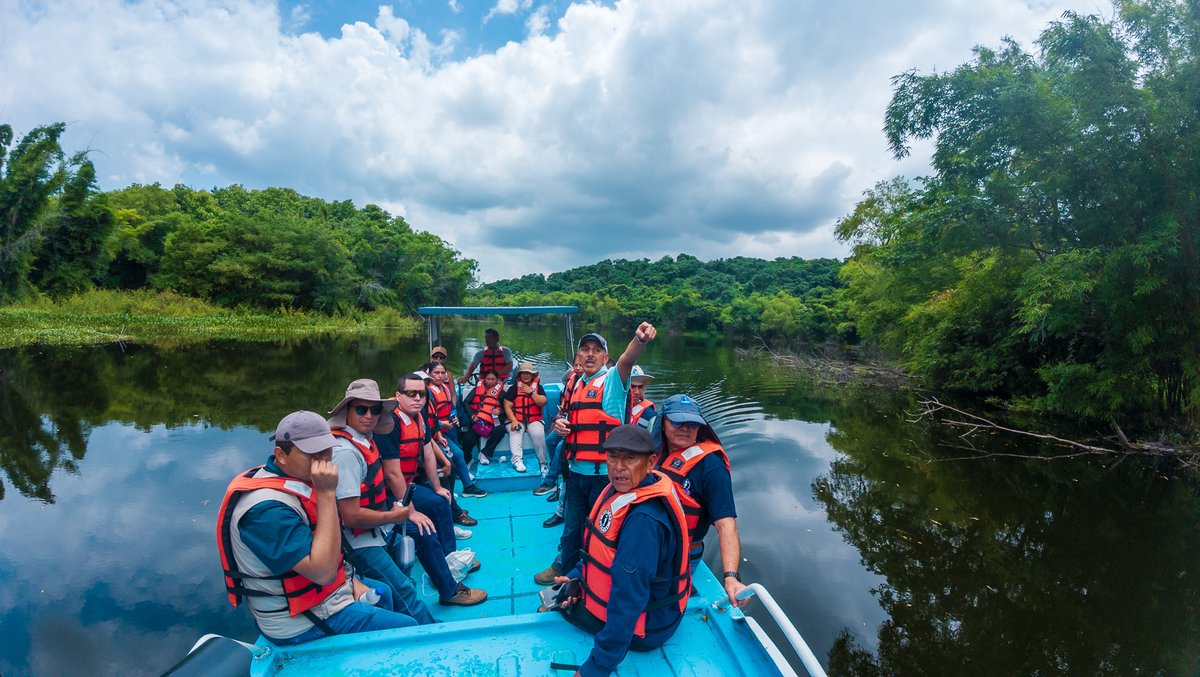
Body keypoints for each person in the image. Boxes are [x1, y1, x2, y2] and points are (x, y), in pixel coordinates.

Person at [216, 411, 419, 645]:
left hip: (323, 596)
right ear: (281, 455)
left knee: (383, 592)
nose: (323, 460)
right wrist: (326, 492)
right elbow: (322, 573)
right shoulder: (265, 511)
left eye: (326, 450)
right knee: (407, 630)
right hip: (299, 621)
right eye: (311, 453)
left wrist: (350, 583)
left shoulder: (297, 479)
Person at [548, 425, 690, 677]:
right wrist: (576, 575)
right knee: (564, 593)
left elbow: (628, 599)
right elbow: (602, 552)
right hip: (653, 610)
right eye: (613, 457)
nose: (619, 467)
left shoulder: (644, 521)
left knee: (559, 606)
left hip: (648, 626)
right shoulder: (622, 491)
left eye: (630, 458)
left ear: (650, 463)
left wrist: (597, 667)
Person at [325, 379, 463, 618]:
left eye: (375, 409)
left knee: (422, 532)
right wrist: (400, 514)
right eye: (361, 409)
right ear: (347, 411)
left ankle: (447, 583)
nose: (369, 415)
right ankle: (428, 631)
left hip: (378, 525)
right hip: (357, 542)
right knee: (403, 591)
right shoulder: (346, 453)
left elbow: (425, 453)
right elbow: (350, 516)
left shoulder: (365, 440)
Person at [534, 322, 657, 586]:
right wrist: (561, 424)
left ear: (605, 357)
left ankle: (593, 581)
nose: (590, 354)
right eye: (585, 350)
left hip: (604, 478)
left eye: (596, 350)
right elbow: (570, 417)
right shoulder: (577, 382)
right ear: (578, 357)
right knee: (571, 530)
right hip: (576, 473)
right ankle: (564, 572)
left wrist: (640, 339)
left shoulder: (613, 379)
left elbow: (627, 360)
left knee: (600, 533)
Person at [374, 373, 489, 607]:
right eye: (411, 394)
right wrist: (412, 512)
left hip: (407, 489)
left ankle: (450, 559)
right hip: (390, 496)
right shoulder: (390, 424)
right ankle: (448, 589)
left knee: (441, 502)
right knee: (423, 528)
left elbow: (427, 451)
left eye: (421, 394)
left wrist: (437, 487)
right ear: (398, 396)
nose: (417, 398)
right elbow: (392, 474)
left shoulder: (418, 418)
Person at [650, 394, 748, 607]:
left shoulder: (712, 468)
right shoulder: (656, 453)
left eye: (692, 423)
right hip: (649, 542)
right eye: (677, 421)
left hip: (678, 556)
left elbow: (726, 526)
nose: (685, 428)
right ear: (663, 423)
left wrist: (731, 576)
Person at [422, 362, 488, 502]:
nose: (440, 376)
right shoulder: (426, 393)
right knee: (448, 461)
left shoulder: (445, 389)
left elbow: (451, 407)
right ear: (429, 374)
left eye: (442, 373)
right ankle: (446, 496)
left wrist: (453, 417)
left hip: (444, 431)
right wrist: (441, 424)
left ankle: (468, 488)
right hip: (432, 436)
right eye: (436, 373)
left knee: (458, 454)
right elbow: (424, 419)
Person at [502, 362, 549, 474]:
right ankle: (517, 460)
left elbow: (542, 402)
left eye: (528, 373)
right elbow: (507, 405)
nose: (525, 375)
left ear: (533, 375)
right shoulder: (514, 389)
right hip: (517, 418)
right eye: (523, 373)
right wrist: (513, 420)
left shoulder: (538, 388)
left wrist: (531, 392)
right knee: (516, 431)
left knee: (538, 433)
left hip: (534, 419)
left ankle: (543, 463)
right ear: (519, 375)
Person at [460, 370, 507, 465]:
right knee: (467, 439)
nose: (490, 381)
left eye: (493, 379)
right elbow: (465, 403)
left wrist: (500, 411)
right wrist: (471, 416)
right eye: (488, 379)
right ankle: (468, 459)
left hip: (493, 421)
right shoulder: (477, 389)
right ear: (484, 380)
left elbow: (507, 409)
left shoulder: (502, 392)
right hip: (477, 421)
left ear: (497, 380)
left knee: (501, 430)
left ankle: (484, 453)